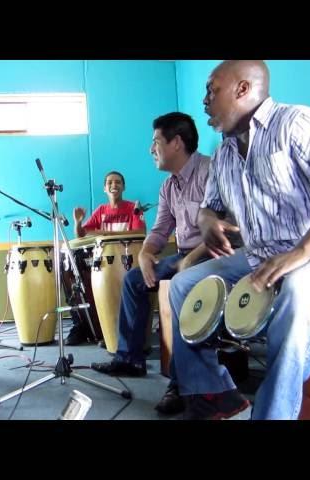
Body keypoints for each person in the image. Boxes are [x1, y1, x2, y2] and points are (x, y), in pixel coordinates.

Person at [168, 60, 310, 420]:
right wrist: (207, 222)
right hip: (261, 255)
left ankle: (272, 415)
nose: (204, 102)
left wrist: (300, 253)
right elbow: (208, 209)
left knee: (299, 290)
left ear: (243, 89)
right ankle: (214, 394)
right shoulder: (224, 154)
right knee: (183, 284)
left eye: (212, 91)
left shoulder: (296, 122)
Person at [90, 112, 240, 415]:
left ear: (176, 142)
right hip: (185, 255)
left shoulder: (212, 170)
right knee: (135, 280)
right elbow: (159, 231)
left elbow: (231, 222)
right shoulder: (168, 187)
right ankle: (130, 358)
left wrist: (194, 259)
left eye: (155, 142)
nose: (151, 149)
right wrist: (146, 254)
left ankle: (180, 382)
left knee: (183, 283)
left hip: (218, 253)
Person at [65, 171, 146, 345]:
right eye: (109, 182)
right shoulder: (101, 210)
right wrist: (78, 222)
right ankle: (95, 329)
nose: (113, 185)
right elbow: (82, 235)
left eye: (117, 182)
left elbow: (141, 232)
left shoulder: (133, 207)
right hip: (104, 263)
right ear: (104, 188)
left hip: (127, 261)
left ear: (123, 187)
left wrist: (103, 232)